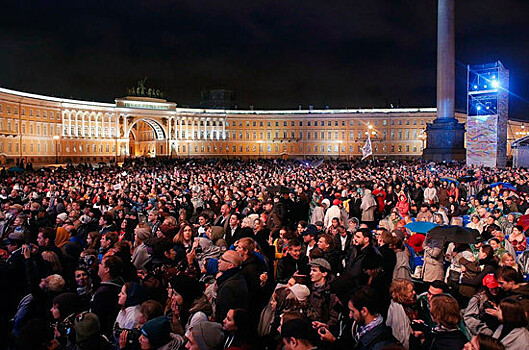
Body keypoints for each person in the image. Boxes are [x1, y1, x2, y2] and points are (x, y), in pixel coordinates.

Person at [214, 250, 249, 323]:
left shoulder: (229, 287)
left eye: (222, 259)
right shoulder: (235, 278)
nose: (219, 261)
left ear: (231, 265)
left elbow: (224, 314)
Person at [386, 279, 417, 348]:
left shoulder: (406, 306)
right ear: (402, 293)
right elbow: (402, 336)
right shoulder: (398, 309)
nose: (414, 293)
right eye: (411, 291)